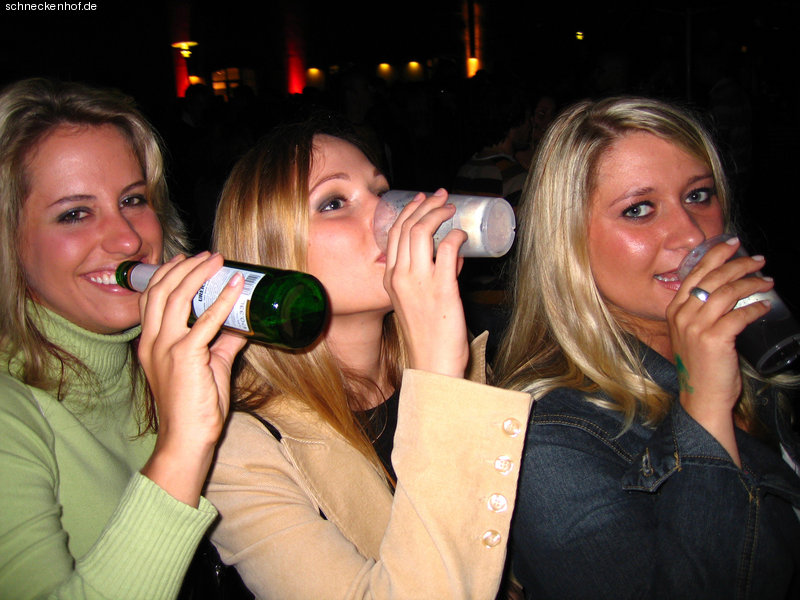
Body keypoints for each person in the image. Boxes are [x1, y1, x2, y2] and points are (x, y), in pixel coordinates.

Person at [205, 115, 532, 599]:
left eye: (382, 191)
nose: (389, 215)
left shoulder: (469, 355)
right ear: (271, 252)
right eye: (334, 202)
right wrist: (440, 379)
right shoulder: (238, 449)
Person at [493, 96, 800, 598]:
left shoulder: (745, 352)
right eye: (639, 210)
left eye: (698, 195)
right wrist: (704, 408)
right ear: (568, 241)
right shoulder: (547, 440)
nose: (690, 234)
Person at [0, 78, 247, 599]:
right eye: (75, 213)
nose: (128, 239)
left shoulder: (188, 356)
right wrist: (183, 444)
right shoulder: (10, 416)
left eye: (133, 200)